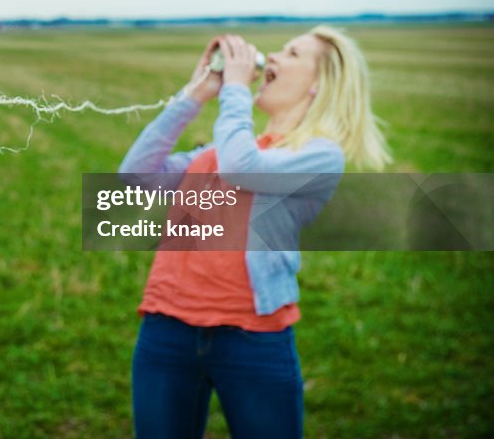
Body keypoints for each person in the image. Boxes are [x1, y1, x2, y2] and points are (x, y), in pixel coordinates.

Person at [120, 29, 390, 439]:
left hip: (252, 340)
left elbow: (240, 166)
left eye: (292, 52)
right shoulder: (218, 150)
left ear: (320, 84)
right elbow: (135, 176)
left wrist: (234, 92)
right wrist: (195, 94)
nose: (274, 57)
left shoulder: (319, 156)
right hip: (166, 331)